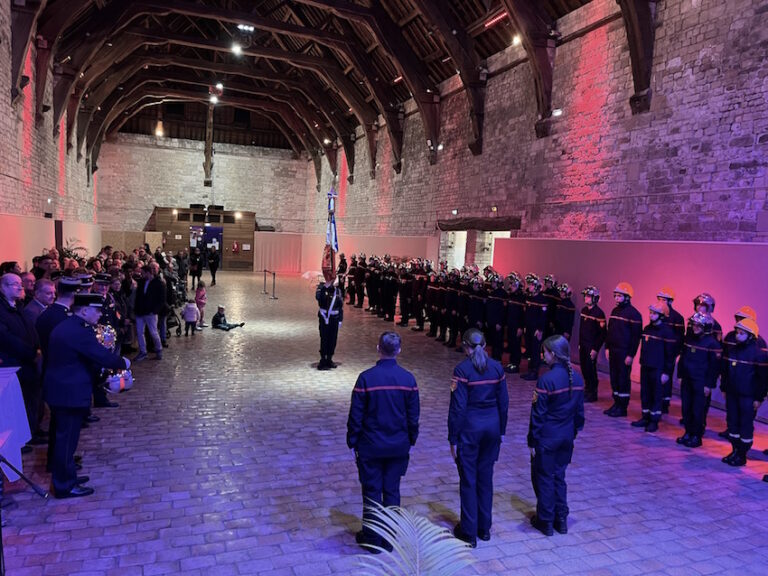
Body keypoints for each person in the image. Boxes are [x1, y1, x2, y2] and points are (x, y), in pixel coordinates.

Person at [44, 294, 130, 498]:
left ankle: (66, 475)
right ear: (84, 311)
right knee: (66, 439)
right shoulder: (78, 331)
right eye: (97, 310)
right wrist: (123, 362)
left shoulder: (72, 326)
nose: (100, 314)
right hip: (68, 391)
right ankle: (64, 485)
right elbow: (99, 355)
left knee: (63, 437)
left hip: (62, 389)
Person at [346, 332, 420, 552]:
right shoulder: (409, 380)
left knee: (371, 491)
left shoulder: (366, 379)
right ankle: (389, 537)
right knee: (392, 490)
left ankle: (372, 538)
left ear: (378, 348)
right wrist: (411, 439)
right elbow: (413, 416)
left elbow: (356, 415)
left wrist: (352, 440)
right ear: (399, 350)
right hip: (398, 445)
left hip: (370, 445)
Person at [449, 328, 509, 548]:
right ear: (484, 346)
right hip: (492, 429)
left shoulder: (462, 369)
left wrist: (452, 437)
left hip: (470, 431)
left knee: (468, 480)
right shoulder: (496, 368)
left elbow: (458, 408)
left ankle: (469, 531)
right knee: (486, 479)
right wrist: (501, 431)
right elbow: (504, 403)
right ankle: (485, 528)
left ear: (466, 347)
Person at [528, 335, 585, 536]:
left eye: (545, 351)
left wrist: (532, 440)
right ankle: (561, 519)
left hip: (547, 438)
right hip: (566, 437)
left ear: (554, 354)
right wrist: (572, 433)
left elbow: (538, 415)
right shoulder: (577, 378)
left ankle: (545, 520)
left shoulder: (546, 380)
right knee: (559, 476)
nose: (543, 355)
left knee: (543, 477)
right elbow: (579, 414)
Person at [720, 317, 767, 467]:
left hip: (748, 397)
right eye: (737, 332)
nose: (737, 335)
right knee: (732, 422)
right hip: (732, 394)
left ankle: (742, 454)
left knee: (745, 424)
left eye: (742, 333)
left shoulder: (759, 355)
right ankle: (734, 450)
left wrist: (759, 398)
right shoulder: (732, 351)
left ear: (751, 336)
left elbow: (763, 380)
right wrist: (724, 388)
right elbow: (726, 372)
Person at [677, 312, 721, 448]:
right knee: (686, 408)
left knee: (698, 410)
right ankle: (688, 432)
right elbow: (683, 358)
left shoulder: (713, 344)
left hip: (701, 383)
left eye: (698, 325)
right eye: (693, 324)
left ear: (706, 327)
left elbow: (714, 367)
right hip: (687, 380)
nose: (694, 327)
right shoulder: (689, 339)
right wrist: (680, 375)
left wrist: (709, 385)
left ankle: (696, 436)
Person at [631, 301, 676, 433]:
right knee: (645, 393)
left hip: (658, 369)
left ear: (662, 316)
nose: (651, 315)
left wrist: (666, 372)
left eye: (654, 313)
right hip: (646, 365)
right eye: (650, 313)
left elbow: (670, 355)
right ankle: (645, 417)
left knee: (656, 394)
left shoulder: (668, 333)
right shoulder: (647, 329)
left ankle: (654, 420)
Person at [604, 282, 642, 417]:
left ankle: (622, 407)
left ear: (627, 297)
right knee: (614, 378)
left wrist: (631, 355)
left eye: (619, 296)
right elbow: (610, 331)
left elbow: (636, 338)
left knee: (623, 379)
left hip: (624, 352)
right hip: (613, 351)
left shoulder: (634, 314)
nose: (616, 298)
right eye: (615, 295)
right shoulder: (615, 311)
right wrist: (607, 347)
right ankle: (616, 403)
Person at [578, 286, 606, 402]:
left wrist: (595, 349)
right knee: (584, 367)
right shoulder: (584, 311)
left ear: (595, 298)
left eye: (588, 296)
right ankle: (587, 388)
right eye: (585, 296)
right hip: (583, 345)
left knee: (591, 368)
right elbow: (581, 329)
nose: (586, 298)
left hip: (591, 346)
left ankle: (593, 392)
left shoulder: (599, 313)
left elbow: (602, 334)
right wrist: (579, 343)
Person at [133, 263, 165, 361]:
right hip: (140, 312)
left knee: (153, 332)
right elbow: (138, 297)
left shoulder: (158, 283)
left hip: (151, 312)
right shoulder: (141, 282)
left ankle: (159, 350)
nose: (141, 275)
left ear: (148, 273)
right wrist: (136, 309)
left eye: (143, 273)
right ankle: (143, 352)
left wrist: (155, 310)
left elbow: (162, 299)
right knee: (139, 332)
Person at [316, 277, 343, 370]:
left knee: (333, 339)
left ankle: (330, 358)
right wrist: (325, 287)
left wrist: (340, 319)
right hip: (324, 318)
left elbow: (340, 306)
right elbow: (319, 298)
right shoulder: (321, 288)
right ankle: (323, 359)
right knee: (324, 338)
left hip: (334, 319)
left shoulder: (338, 291)